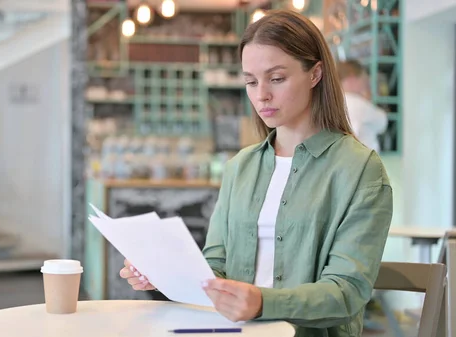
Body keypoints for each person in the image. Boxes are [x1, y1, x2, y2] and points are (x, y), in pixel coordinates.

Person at [120, 9, 393, 337]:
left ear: (315, 74)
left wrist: (263, 303)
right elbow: (215, 268)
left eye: (276, 78)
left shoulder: (360, 170)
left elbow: (346, 292)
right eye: (251, 81)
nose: (261, 94)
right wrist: (162, 275)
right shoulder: (240, 167)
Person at [337, 60, 388, 153]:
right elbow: (382, 122)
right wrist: (367, 101)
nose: (366, 86)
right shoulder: (356, 103)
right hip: (362, 162)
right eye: (363, 80)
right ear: (352, 78)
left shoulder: (334, 101)